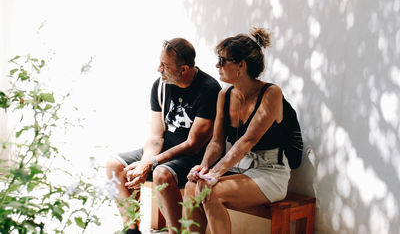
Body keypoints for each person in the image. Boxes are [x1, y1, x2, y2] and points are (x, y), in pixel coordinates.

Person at [185, 27, 298, 234]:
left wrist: (215, 174)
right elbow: (217, 142)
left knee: (210, 191)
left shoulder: (271, 93)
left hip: (270, 172)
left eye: (222, 60)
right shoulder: (225, 95)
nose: (216, 65)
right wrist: (204, 168)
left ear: (241, 65)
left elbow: (247, 141)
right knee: (192, 188)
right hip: (240, 169)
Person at [106, 38, 221, 234]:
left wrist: (152, 162)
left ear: (183, 69)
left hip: (194, 158)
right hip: (162, 153)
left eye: (165, 65)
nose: (159, 69)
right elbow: (155, 137)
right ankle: (131, 229)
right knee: (114, 165)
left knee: (161, 173)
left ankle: (175, 231)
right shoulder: (160, 86)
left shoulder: (209, 89)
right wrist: (144, 163)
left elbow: (193, 144)